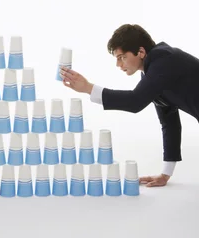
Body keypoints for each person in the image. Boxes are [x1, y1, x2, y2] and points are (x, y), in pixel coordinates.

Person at [60, 23, 199, 188]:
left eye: (122, 57)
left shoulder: (164, 60)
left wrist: (89, 88)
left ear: (140, 52)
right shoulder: (154, 73)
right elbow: (170, 123)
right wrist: (165, 174)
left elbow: (135, 102)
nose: (119, 65)